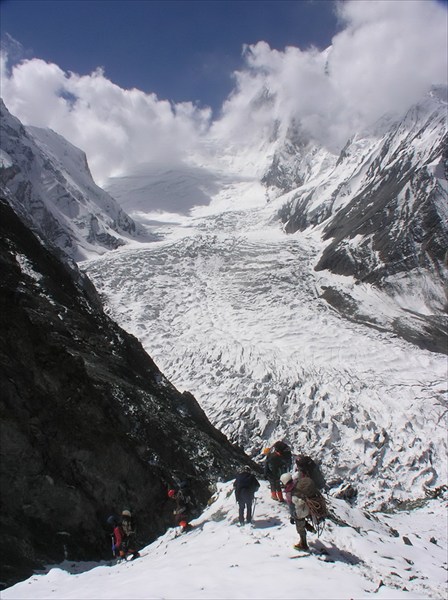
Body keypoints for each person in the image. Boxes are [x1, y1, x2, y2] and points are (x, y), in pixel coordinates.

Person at [290, 459, 322, 551]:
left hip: (302, 503)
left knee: (298, 519)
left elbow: (296, 491)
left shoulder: (299, 477)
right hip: (311, 499)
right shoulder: (310, 478)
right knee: (301, 517)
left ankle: (303, 543)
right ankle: (309, 527)